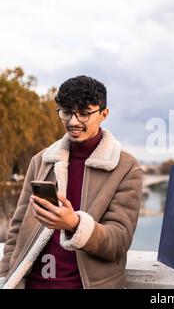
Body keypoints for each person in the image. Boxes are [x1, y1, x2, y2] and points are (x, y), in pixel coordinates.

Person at [0, 75, 143, 289]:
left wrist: (74, 225)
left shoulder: (126, 167)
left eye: (84, 114)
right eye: (66, 112)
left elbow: (118, 242)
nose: (73, 122)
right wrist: (6, 277)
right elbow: (17, 229)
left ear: (104, 114)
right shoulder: (40, 161)